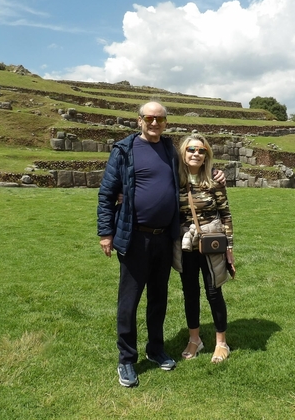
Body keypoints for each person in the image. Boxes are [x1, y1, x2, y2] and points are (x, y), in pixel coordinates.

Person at [97, 101, 226, 387]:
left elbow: (196, 161)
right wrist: (106, 234)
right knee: (128, 302)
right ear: (139, 120)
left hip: (165, 238)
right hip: (134, 236)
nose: (154, 124)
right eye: (149, 118)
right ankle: (127, 360)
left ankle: (156, 349)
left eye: (160, 119)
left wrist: (217, 172)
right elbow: (107, 193)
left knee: (159, 298)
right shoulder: (124, 150)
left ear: (166, 122)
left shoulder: (169, 149)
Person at [174, 133, 235, 364]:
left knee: (213, 291)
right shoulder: (175, 179)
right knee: (190, 292)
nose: (196, 154)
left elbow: (226, 215)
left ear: (206, 155)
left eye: (201, 150)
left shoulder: (214, 179)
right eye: (191, 149)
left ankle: (221, 342)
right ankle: (194, 339)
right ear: (184, 152)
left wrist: (229, 247)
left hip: (211, 242)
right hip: (185, 243)